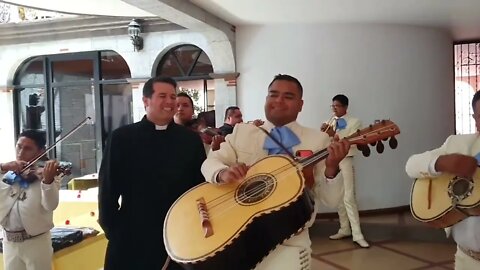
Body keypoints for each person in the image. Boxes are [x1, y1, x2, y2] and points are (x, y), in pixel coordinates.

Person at [201, 74, 349, 270]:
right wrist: (223, 173)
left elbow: (331, 200)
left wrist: (332, 168)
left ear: (300, 104)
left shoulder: (318, 140)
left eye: (288, 96)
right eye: (273, 94)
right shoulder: (242, 132)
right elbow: (210, 162)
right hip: (238, 236)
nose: (279, 100)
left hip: (289, 243)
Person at [98, 76, 207, 270]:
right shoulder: (122, 138)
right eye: (162, 96)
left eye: (173, 97)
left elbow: (198, 187)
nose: (170, 102)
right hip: (132, 235)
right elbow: (108, 190)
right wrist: (113, 231)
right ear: (146, 101)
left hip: (177, 233)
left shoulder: (190, 141)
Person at [406, 90, 480, 270]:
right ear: (475, 119)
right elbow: (411, 165)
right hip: (466, 260)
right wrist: (442, 162)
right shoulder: (457, 144)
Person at [0, 130, 61, 270]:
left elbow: (50, 205)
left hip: (36, 242)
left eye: (27, 148)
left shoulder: (47, 174)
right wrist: (3, 166)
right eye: (19, 146)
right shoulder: (8, 171)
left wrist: (47, 181)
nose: (21, 153)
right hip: (9, 241)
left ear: (40, 151)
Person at [322, 94, 369, 248]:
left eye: (337, 106)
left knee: (349, 196)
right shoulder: (329, 121)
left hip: (346, 160)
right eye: (332, 106)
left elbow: (353, 141)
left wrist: (333, 135)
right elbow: (325, 143)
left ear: (345, 107)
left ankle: (358, 234)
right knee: (338, 196)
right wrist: (323, 134)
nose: (334, 109)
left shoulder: (355, 122)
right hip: (332, 161)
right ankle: (344, 229)